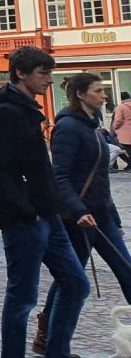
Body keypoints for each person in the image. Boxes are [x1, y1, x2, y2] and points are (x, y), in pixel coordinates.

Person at [0, 46, 100, 358]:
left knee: (76, 283)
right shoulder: (6, 111)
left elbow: (40, 168)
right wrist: (27, 210)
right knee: (22, 296)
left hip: (46, 213)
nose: (48, 80)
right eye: (42, 73)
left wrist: (59, 206)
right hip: (26, 218)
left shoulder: (25, 109)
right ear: (20, 73)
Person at [42, 74, 131, 322]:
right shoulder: (68, 127)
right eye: (98, 91)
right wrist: (78, 210)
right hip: (80, 218)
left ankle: (47, 328)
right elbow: (59, 176)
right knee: (70, 278)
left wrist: (114, 217)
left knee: (126, 270)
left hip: (101, 215)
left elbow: (101, 178)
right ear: (81, 94)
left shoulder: (94, 126)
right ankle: (46, 328)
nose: (104, 96)